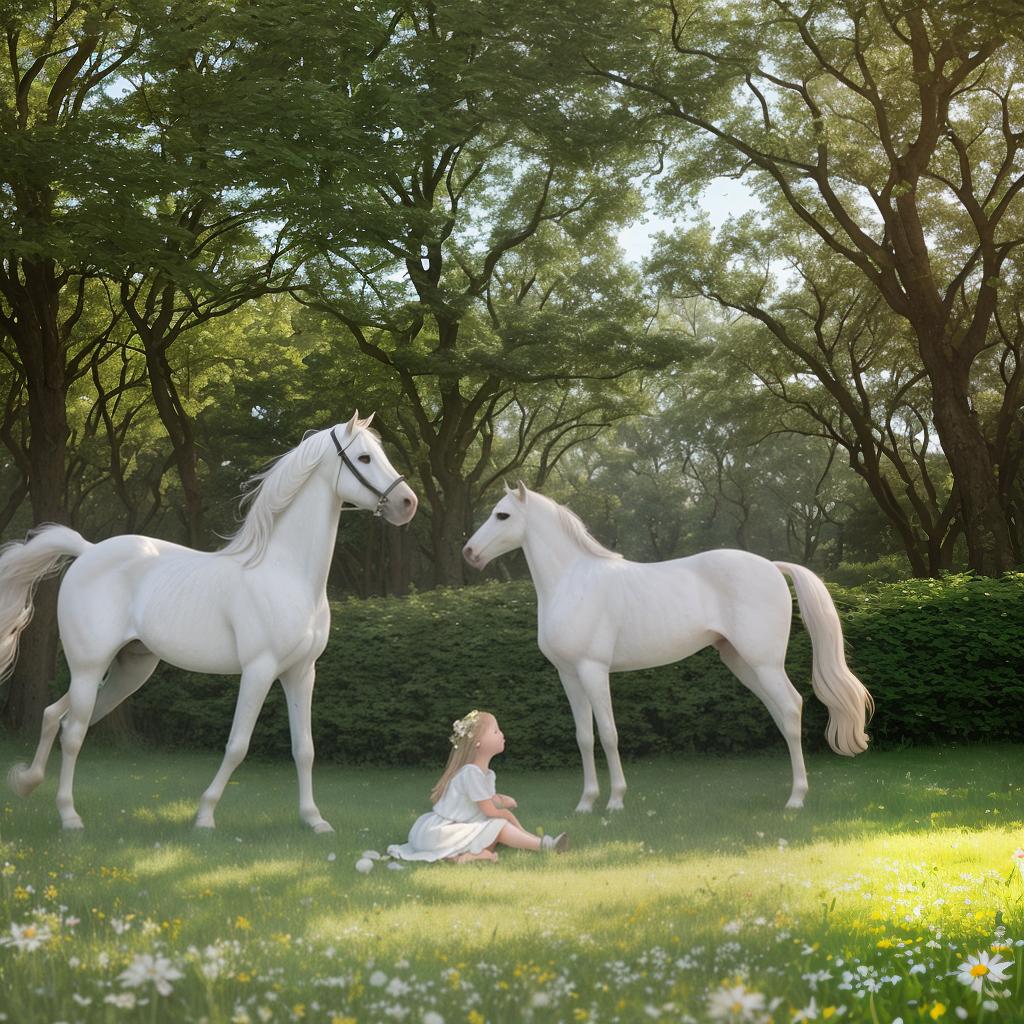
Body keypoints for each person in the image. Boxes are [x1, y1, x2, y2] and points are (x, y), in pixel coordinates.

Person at [387, 710, 569, 863]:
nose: (502, 734)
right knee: (499, 825)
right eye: (496, 732)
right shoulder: (470, 773)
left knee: (492, 832)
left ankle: (467, 856)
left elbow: (487, 797)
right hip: (442, 832)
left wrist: (502, 799)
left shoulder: (486, 774)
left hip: (458, 827)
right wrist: (504, 812)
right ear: (478, 743)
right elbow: (489, 809)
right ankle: (544, 845)